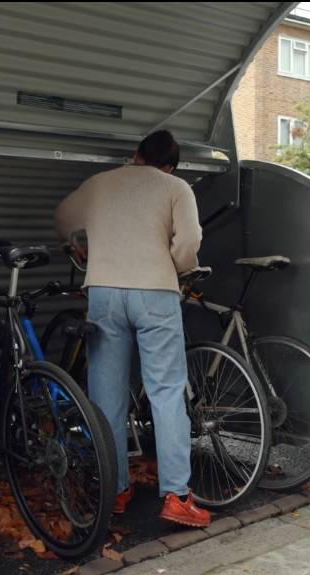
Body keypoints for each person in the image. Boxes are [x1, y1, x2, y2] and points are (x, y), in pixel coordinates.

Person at [54, 130, 210, 527]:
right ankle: (176, 497)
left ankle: (116, 490)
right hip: (155, 292)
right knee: (166, 392)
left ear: (135, 155)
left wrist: (79, 246)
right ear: (170, 165)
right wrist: (174, 265)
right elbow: (189, 241)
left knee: (106, 396)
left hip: (104, 292)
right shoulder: (177, 187)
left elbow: (62, 217)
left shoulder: (101, 183)